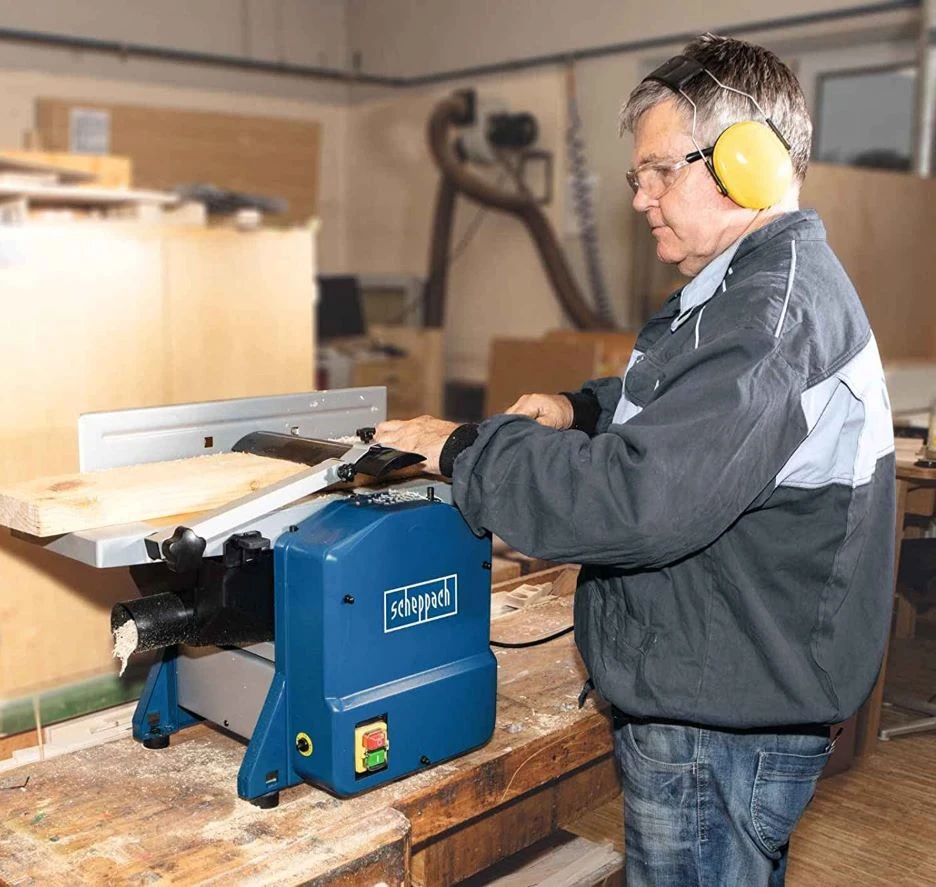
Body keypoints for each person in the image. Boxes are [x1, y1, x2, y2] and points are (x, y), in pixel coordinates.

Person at [375, 34, 895, 887]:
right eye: (636, 176)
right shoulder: (756, 290)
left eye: (659, 172)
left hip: (717, 725)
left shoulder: (768, 317)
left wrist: (463, 448)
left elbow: (635, 501)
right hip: (728, 691)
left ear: (748, 162)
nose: (641, 198)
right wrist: (582, 407)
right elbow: (693, 407)